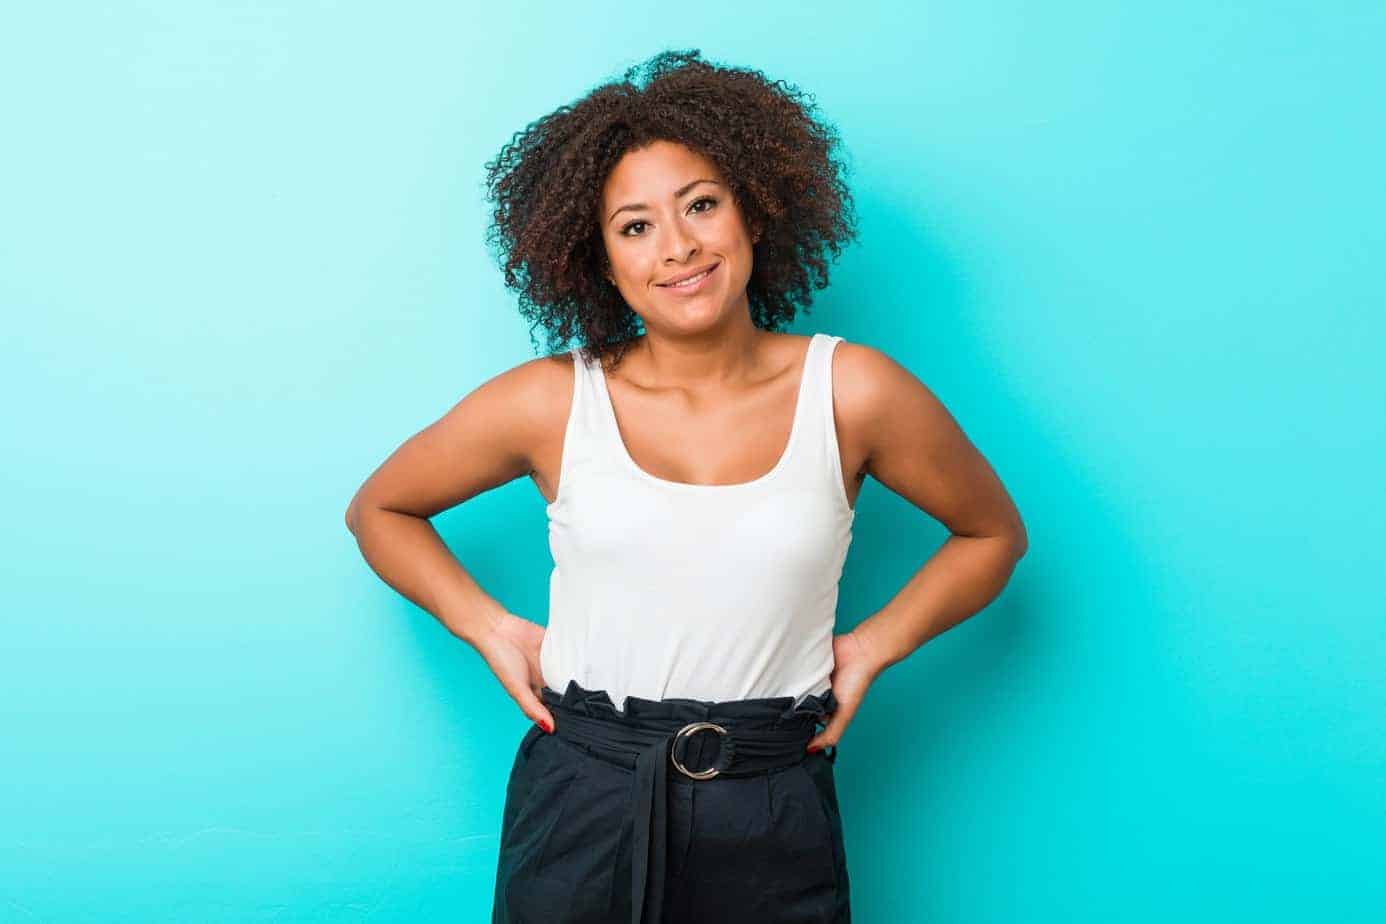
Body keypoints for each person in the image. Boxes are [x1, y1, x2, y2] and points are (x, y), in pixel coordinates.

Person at [345, 49, 1027, 924]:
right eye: (635, 227)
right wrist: (487, 627)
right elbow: (380, 509)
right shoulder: (552, 401)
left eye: (701, 204)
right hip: (585, 793)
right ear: (598, 259)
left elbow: (992, 534)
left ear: (752, 210)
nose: (678, 248)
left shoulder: (854, 391)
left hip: (772, 796)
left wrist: (872, 648)